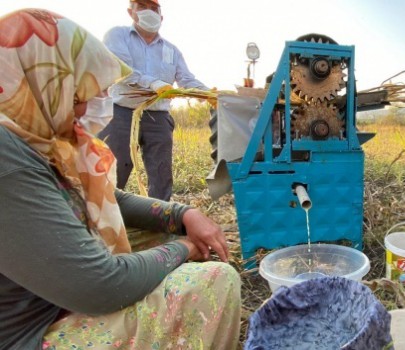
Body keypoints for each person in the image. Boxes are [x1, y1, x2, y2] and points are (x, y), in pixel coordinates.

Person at [0, 9, 240, 349]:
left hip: (49, 296)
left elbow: (109, 198)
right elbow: (100, 286)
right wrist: (185, 248)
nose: (85, 110)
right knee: (215, 279)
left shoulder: (36, 138)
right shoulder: (7, 157)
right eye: (77, 96)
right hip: (27, 334)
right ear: (42, 82)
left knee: (158, 229)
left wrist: (183, 214)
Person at [99, 0, 211, 201]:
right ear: (130, 12)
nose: (148, 12)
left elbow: (186, 79)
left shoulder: (171, 50)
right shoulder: (117, 36)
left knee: (161, 173)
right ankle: (106, 221)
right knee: (114, 169)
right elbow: (121, 68)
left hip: (158, 117)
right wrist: (153, 84)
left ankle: (160, 222)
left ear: (161, 17)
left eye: (153, 8)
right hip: (121, 114)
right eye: (142, 6)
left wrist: (208, 94)